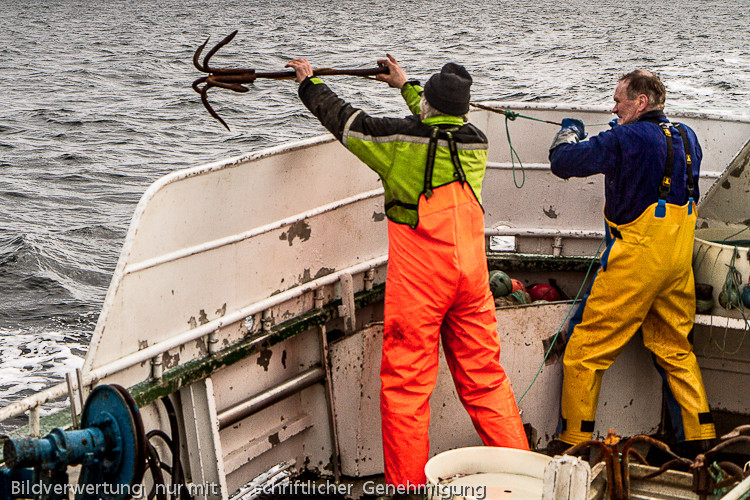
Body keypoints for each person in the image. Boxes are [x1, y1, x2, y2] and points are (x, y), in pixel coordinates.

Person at [285, 55, 529, 487]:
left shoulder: (398, 141)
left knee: (406, 389)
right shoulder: (475, 141)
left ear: (430, 105)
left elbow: (347, 123)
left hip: (422, 281)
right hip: (471, 277)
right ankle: (523, 477)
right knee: (486, 380)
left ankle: (409, 491)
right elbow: (437, 119)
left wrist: (309, 84)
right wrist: (404, 84)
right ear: (465, 110)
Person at [548, 70, 716, 455]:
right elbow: (657, 162)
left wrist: (569, 132)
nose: (614, 106)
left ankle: (573, 446)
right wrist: (618, 132)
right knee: (675, 349)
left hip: (636, 263)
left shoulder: (625, 138)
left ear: (639, 102)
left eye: (619, 99)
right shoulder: (686, 136)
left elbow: (564, 162)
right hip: (677, 263)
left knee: (585, 350)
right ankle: (701, 447)